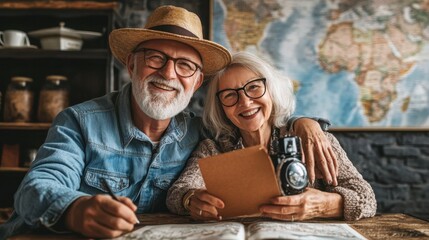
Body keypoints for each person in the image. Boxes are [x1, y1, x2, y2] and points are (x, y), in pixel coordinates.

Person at [0, 6, 336, 239]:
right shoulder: (78, 122)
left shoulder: (203, 134)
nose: (168, 73)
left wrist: (303, 122)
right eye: (155, 58)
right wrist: (75, 210)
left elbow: (253, 116)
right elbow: (33, 191)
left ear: (198, 81)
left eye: (185, 66)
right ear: (132, 64)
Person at [166, 51, 377, 222]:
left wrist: (323, 206)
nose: (245, 102)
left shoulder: (310, 139)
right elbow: (178, 192)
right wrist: (190, 199)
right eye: (230, 95)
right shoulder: (213, 149)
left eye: (254, 88)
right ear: (221, 108)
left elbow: (366, 199)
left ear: (271, 91)